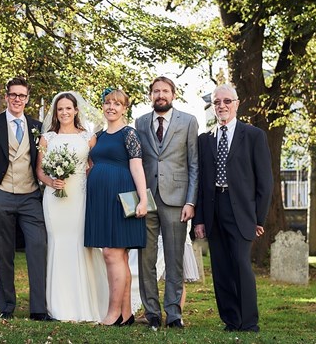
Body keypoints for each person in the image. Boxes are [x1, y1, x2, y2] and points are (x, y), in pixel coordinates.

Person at [193, 84, 273, 332]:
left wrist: (258, 218)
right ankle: (231, 320)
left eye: (227, 101)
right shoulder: (204, 140)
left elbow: (265, 182)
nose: (222, 106)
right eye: (217, 102)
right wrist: (199, 219)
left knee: (240, 264)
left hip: (241, 211)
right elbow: (201, 183)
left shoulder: (253, 136)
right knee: (221, 268)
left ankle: (249, 322)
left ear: (236, 104)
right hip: (214, 208)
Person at [0, 77, 51, 321]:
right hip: (2, 195)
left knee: (38, 249)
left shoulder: (38, 127)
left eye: (22, 95)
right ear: (6, 96)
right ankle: (7, 307)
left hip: (31, 197)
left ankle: (38, 309)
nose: (17, 99)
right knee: (5, 254)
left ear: (27, 98)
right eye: (13, 95)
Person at [37, 92, 108, 322]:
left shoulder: (88, 138)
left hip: (80, 195)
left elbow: (93, 167)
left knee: (80, 244)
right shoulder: (47, 138)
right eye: (60, 109)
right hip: (54, 198)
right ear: (55, 113)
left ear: (76, 110)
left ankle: (85, 304)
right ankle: (58, 305)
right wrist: (51, 181)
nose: (64, 112)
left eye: (68, 108)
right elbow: (39, 170)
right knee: (57, 243)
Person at [135, 76, 199, 329]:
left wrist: (191, 201)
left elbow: (194, 164)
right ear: (150, 95)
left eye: (165, 91)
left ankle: (173, 313)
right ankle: (151, 311)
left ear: (173, 94)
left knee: (174, 259)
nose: (160, 95)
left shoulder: (189, 121)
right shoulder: (140, 122)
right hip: (147, 198)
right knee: (146, 259)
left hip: (177, 199)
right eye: (155, 91)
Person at [84, 88, 148, 326]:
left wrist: (142, 199)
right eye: (108, 103)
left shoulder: (129, 134)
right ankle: (126, 314)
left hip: (121, 197)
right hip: (101, 199)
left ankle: (112, 314)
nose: (112, 107)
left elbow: (137, 167)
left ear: (124, 108)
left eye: (117, 104)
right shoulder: (98, 136)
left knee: (113, 253)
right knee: (115, 255)